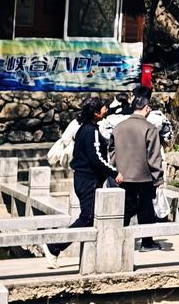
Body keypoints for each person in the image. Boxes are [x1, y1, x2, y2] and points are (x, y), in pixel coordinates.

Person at [111, 88, 166, 249]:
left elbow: (111, 151)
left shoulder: (119, 127)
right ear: (147, 108)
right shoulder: (150, 128)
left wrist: (115, 170)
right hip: (144, 176)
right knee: (145, 209)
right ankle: (147, 242)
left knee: (125, 210)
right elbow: (154, 156)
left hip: (122, 176)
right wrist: (158, 178)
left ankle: (117, 241)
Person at [70, 98, 114, 228]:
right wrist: (114, 172)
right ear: (96, 112)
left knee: (90, 218)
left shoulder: (84, 128)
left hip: (82, 178)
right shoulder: (91, 131)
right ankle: (57, 241)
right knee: (87, 218)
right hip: (88, 180)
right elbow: (95, 158)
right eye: (103, 107)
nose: (105, 109)